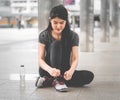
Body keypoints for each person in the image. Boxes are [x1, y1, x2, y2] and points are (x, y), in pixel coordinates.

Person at [35, 5, 94, 92]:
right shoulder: (44, 35)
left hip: (64, 71)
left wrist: (71, 71)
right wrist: (50, 70)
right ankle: (57, 80)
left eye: (61, 22)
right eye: (55, 22)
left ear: (66, 21)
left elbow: (75, 58)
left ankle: (49, 81)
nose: (58, 26)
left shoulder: (73, 36)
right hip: (48, 71)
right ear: (50, 20)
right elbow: (40, 59)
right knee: (56, 44)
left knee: (88, 76)